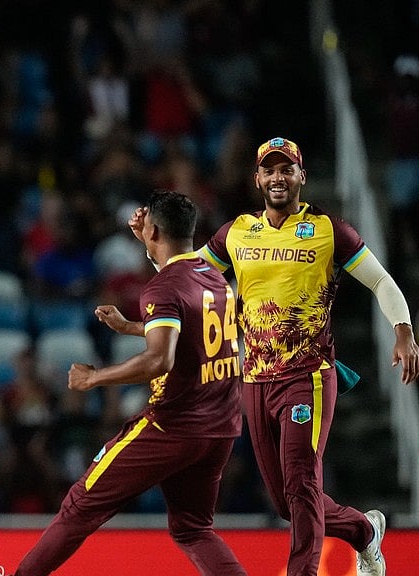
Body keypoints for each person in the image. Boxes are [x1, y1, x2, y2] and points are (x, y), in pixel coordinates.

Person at [134, 137, 419, 576]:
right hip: (255, 378)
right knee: (288, 503)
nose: (278, 177)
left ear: (302, 176)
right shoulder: (237, 232)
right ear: (257, 179)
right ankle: (364, 531)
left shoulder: (328, 230)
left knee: (302, 482)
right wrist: (150, 244)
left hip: (309, 375)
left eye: (287, 169)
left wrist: (403, 332)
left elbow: (381, 281)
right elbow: (187, 279)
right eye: (269, 170)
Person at [0, 190, 247, 576]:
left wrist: (95, 377)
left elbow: (159, 359)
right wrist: (131, 327)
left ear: (155, 231)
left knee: (80, 505)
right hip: (219, 427)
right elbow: (190, 331)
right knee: (193, 529)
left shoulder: (163, 287)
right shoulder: (213, 277)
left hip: (172, 427)